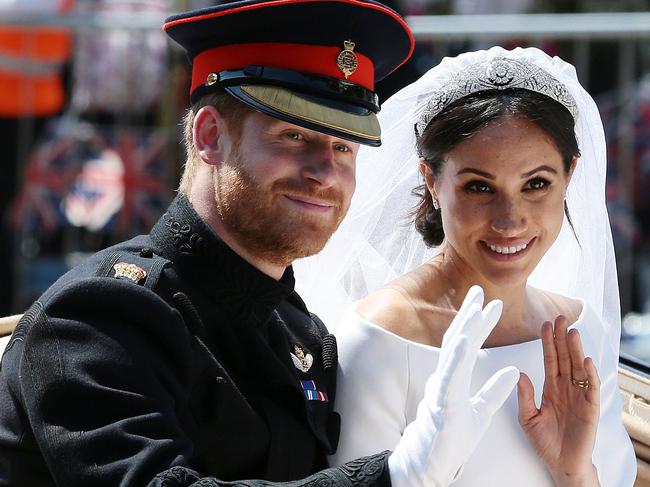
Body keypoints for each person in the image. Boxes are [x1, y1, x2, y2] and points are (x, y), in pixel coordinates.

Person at [0, 2, 522, 486]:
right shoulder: (98, 319)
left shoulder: (300, 332)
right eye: (294, 137)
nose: (326, 172)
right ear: (209, 136)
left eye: (344, 146)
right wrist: (392, 477)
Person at [295, 46, 637, 485]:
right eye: (479, 187)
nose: (510, 220)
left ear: (569, 175)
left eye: (536, 184)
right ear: (431, 181)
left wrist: (573, 472)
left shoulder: (580, 332)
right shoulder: (380, 339)